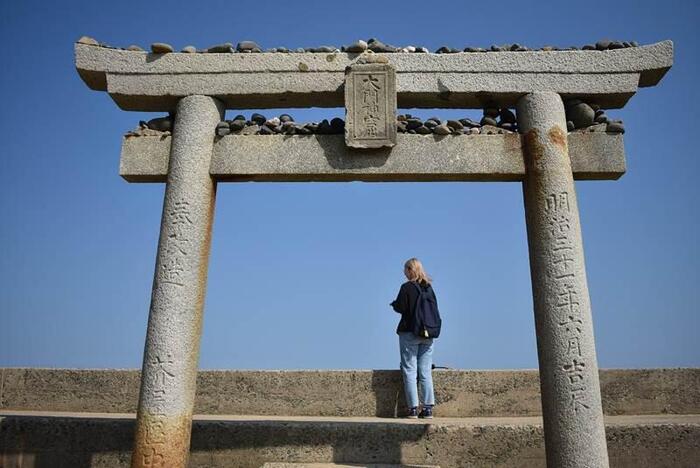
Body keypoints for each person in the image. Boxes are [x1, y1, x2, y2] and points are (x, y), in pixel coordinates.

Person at [390, 258, 437, 419]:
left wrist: (394, 304)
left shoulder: (407, 287)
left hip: (410, 332)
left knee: (409, 369)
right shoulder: (428, 287)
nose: (404, 273)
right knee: (425, 371)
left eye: (405, 270)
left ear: (410, 270)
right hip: (428, 334)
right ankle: (428, 408)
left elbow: (402, 307)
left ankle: (413, 409)